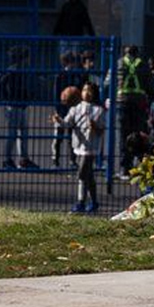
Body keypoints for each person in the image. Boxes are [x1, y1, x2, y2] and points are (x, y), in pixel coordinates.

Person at [64, 80, 105, 214]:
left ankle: (81, 202)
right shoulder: (75, 109)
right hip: (79, 145)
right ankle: (94, 203)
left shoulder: (98, 110)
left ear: (94, 94)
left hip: (91, 147)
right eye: (84, 90)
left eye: (90, 91)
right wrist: (58, 120)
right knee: (89, 176)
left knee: (81, 173)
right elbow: (67, 124)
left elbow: (101, 130)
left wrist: (95, 127)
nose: (86, 93)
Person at [0, 44, 38, 169]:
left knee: (23, 132)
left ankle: (23, 159)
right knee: (13, 133)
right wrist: (8, 99)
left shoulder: (21, 69)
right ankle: (7, 159)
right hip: (14, 104)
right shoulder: (13, 70)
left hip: (21, 104)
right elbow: (1, 84)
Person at [50, 50, 89, 167]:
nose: (72, 64)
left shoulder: (77, 75)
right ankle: (55, 160)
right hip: (62, 110)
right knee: (58, 136)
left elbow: (80, 91)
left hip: (74, 111)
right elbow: (56, 95)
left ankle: (72, 160)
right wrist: (58, 110)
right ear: (65, 63)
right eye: (70, 62)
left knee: (73, 136)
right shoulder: (60, 76)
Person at [115, 44, 149, 168]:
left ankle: (125, 165)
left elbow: (109, 82)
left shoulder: (118, 64)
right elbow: (150, 84)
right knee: (138, 133)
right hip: (138, 103)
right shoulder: (143, 64)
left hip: (122, 102)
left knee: (124, 134)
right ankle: (140, 162)